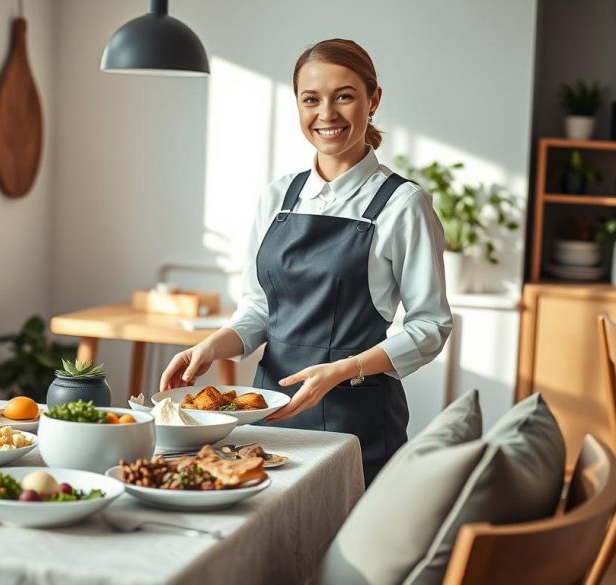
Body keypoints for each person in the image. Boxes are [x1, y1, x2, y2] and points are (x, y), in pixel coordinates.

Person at [159, 39, 453, 484]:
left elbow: (430, 326)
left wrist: (341, 370)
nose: (327, 114)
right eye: (311, 99)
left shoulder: (403, 204)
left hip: (355, 423)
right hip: (267, 416)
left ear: (373, 100)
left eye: (345, 96)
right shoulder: (278, 197)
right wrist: (211, 346)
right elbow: (259, 309)